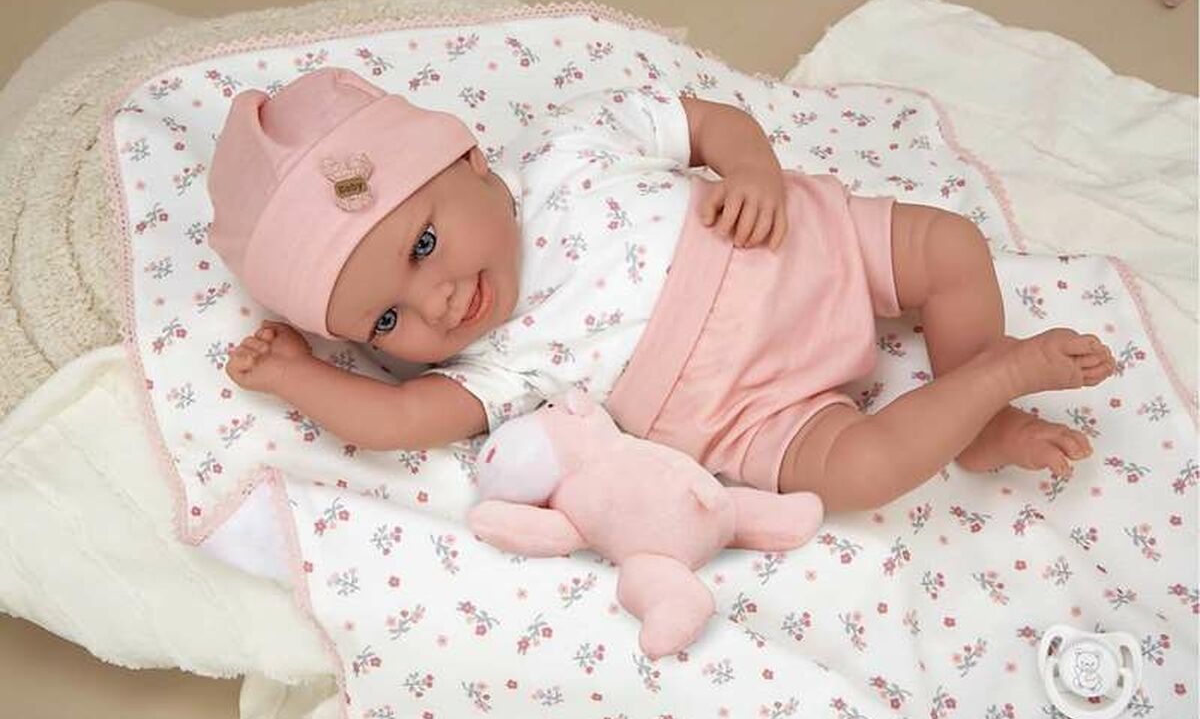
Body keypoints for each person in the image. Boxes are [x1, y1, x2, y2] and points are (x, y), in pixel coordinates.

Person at [209, 67, 1115, 513]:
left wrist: (753, 173)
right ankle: (989, 387)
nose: (437, 302)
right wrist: (295, 376)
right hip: (754, 410)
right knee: (860, 475)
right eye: (386, 319)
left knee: (949, 246)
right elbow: (395, 422)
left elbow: (707, 122)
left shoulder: (569, 148)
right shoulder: (492, 361)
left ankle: (977, 395)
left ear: (472, 160)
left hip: (810, 247)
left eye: (424, 245)